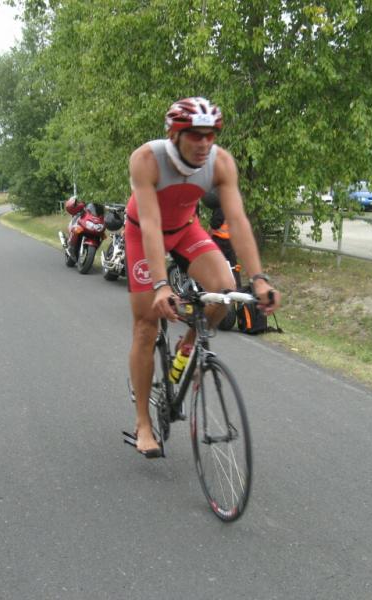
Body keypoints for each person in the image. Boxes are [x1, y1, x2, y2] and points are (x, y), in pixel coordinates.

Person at [125, 96, 280, 457]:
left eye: (211, 135)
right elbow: (150, 224)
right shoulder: (146, 159)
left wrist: (259, 278)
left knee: (224, 292)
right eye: (196, 135)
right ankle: (143, 423)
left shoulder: (220, 162)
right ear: (175, 135)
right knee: (146, 325)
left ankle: (190, 343)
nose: (204, 143)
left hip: (185, 230)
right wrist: (161, 285)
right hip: (143, 233)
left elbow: (237, 220)